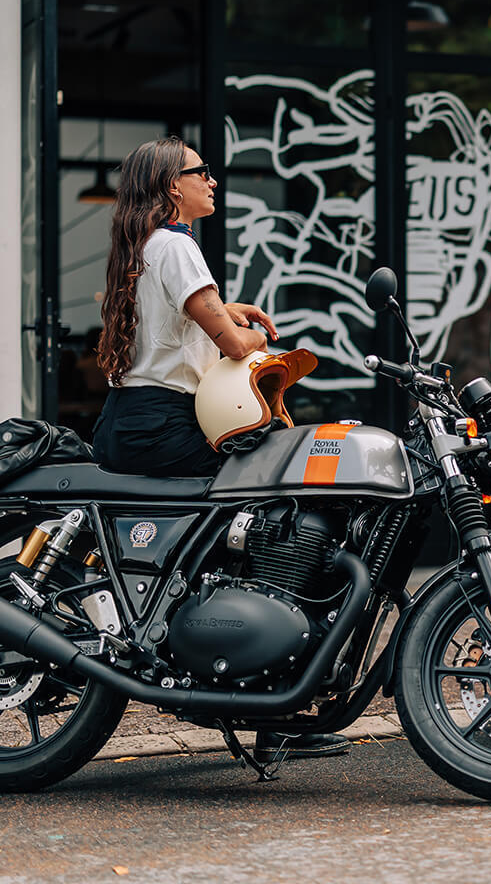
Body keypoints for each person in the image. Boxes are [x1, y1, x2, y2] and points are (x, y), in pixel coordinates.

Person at [93, 135, 349, 762]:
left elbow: (174, 323)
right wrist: (247, 333)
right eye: (200, 171)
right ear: (170, 186)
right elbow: (233, 347)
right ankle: (268, 697)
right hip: (165, 425)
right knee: (286, 505)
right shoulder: (177, 244)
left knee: (250, 511)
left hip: (132, 421)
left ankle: (251, 669)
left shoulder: (145, 246)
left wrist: (223, 309)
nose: (211, 180)